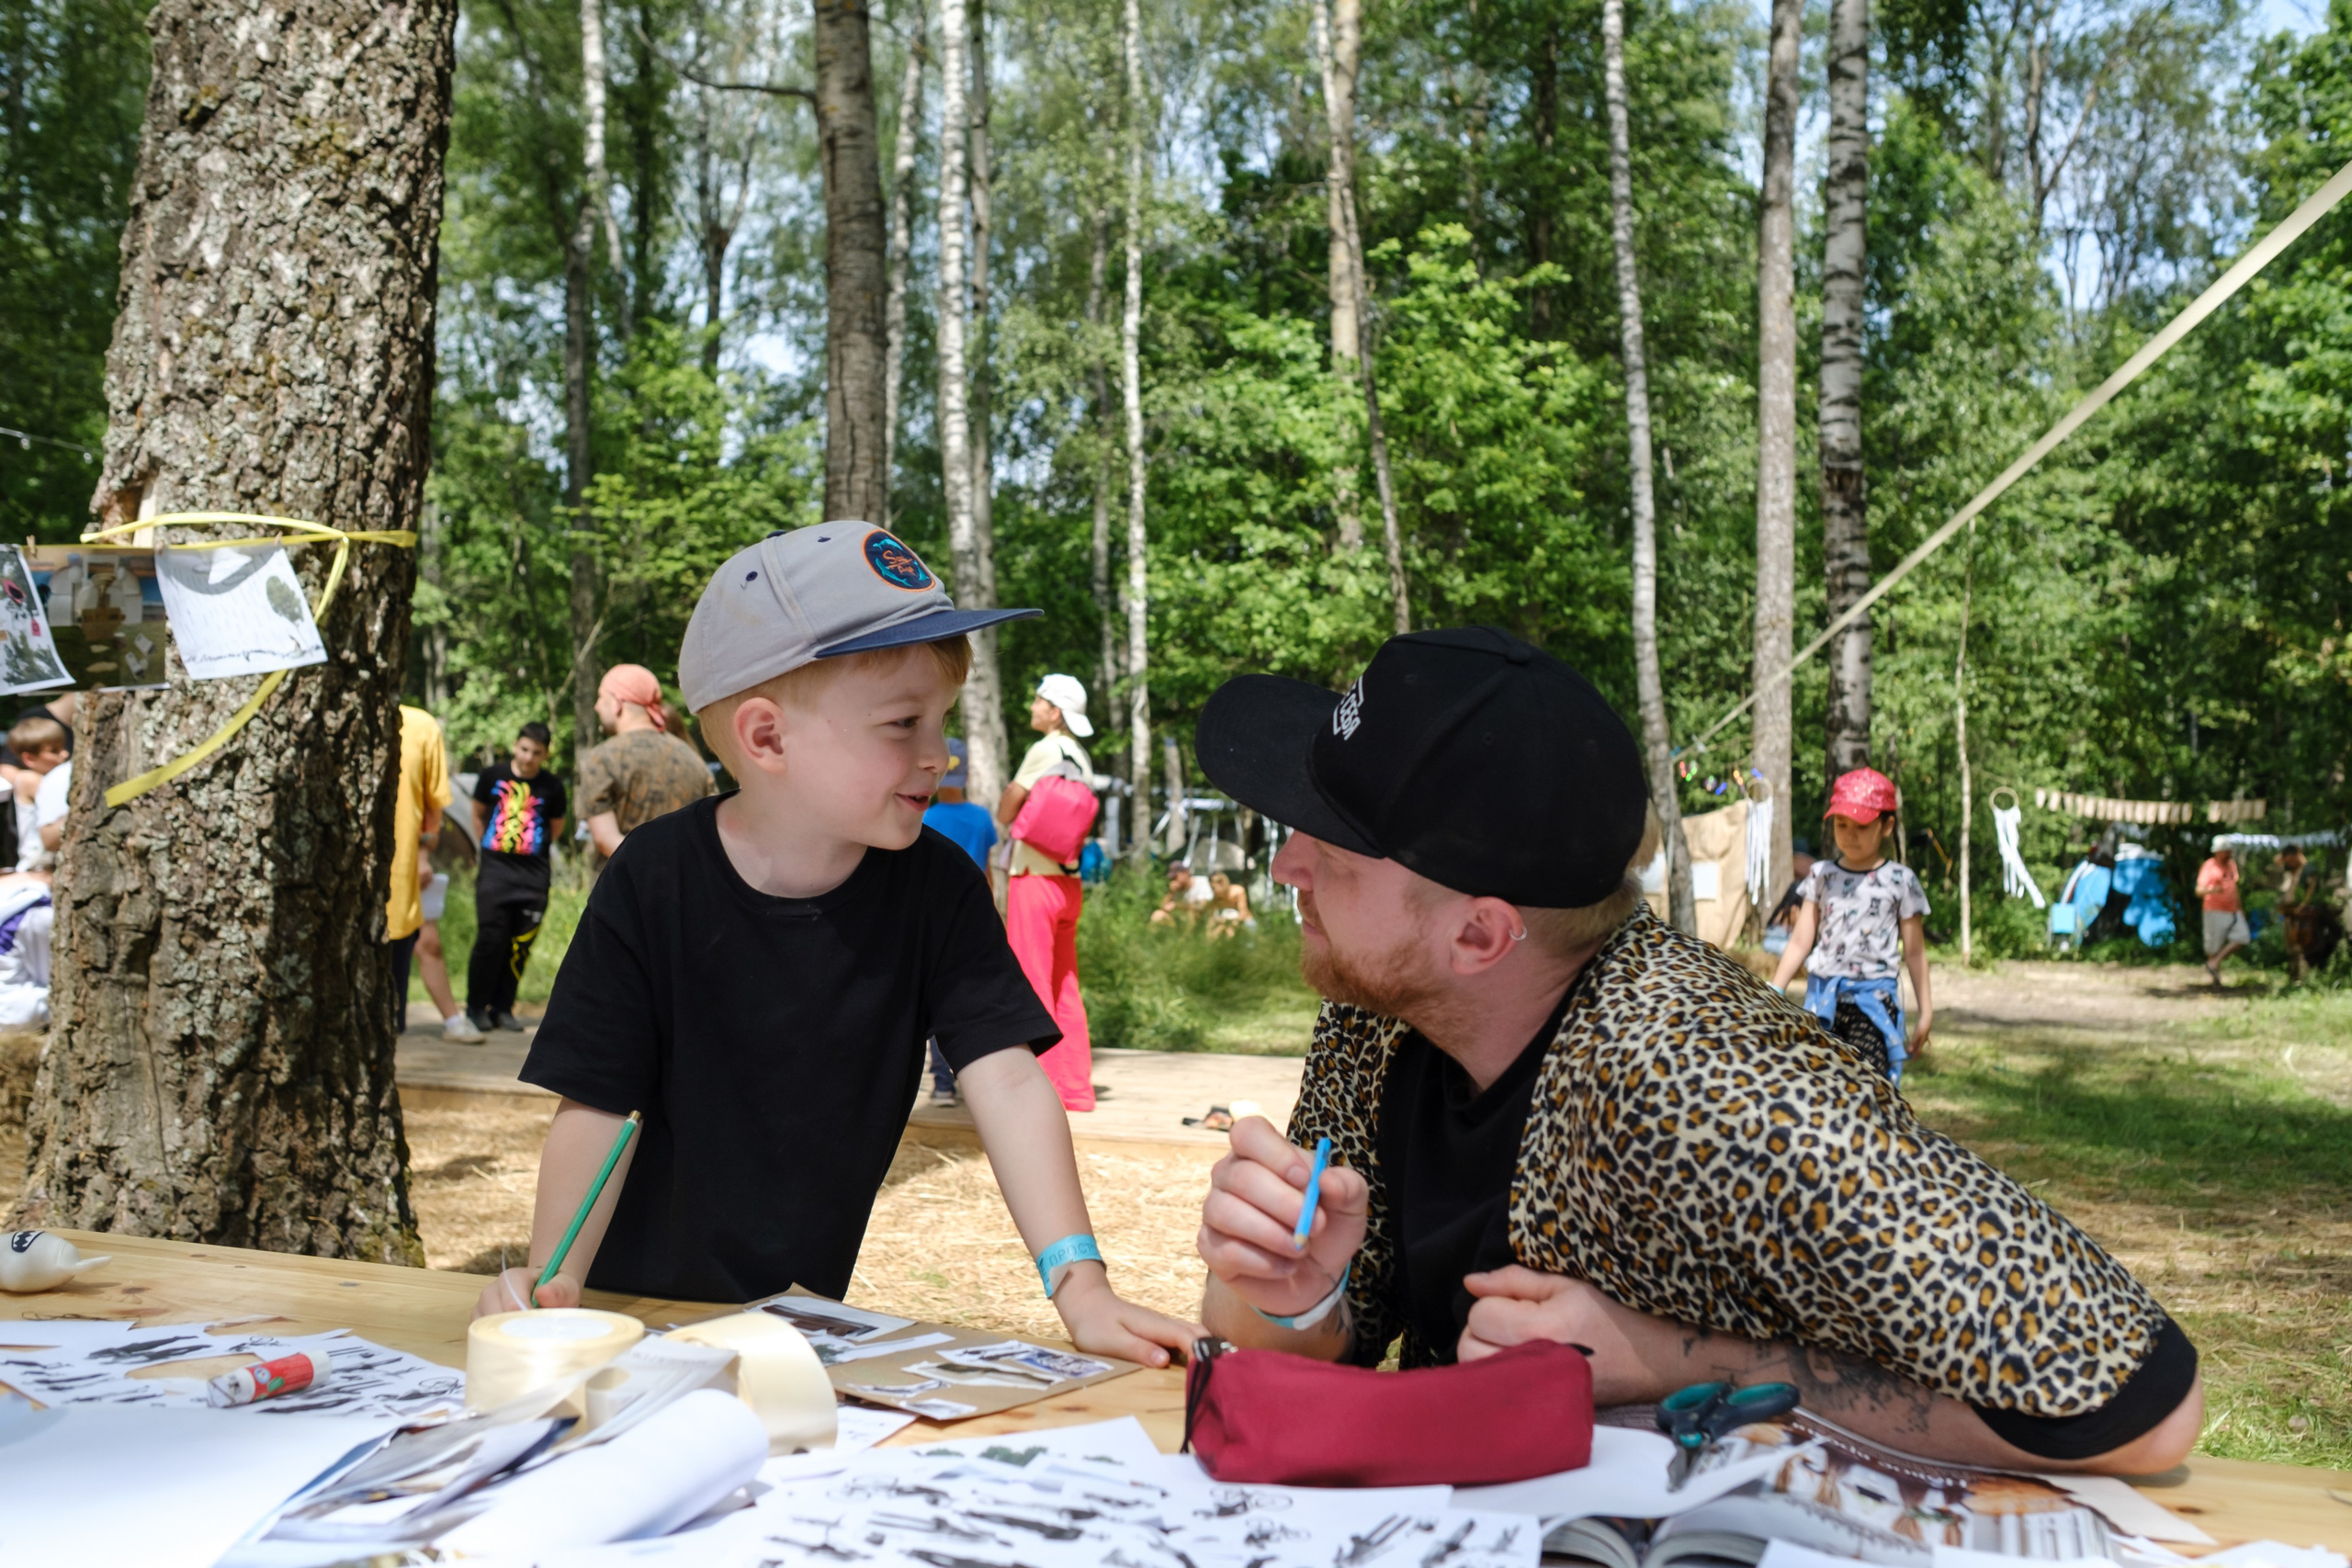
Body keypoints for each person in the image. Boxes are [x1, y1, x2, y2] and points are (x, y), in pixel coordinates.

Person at [1190, 626, 2201, 1476]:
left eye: (1332, 843)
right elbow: (1319, 1341)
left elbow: (2144, 1405)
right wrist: (1293, 1289)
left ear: (1480, 935)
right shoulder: (1383, 1008)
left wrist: (1669, 1361)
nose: (1286, 863)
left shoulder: (1699, 1087)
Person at [473, 525, 1193, 1372]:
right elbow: (597, 1104)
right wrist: (556, 1284)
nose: (941, 751)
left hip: (798, 1330)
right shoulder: (652, 880)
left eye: (943, 719)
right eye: (903, 723)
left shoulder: (937, 887)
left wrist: (1083, 1288)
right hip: (630, 1318)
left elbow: (1004, 1075)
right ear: (767, 738)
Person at [1768, 768, 1932, 1081]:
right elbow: (1802, 940)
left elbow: (1914, 953)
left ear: (1886, 826)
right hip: (1822, 999)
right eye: (1842, 824)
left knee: (1869, 1085)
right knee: (1819, 1086)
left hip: (1874, 1004)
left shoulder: (1901, 881)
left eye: (1861, 825)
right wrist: (1776, 988)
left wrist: (1926, 1011)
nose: (1849, 834)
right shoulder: (1821, 875)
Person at [996, 672, 1098, 1113]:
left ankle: (1039, 1093)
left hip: (1035, 880)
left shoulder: (1044, 749)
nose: (1032, 707)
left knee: (1031, 983)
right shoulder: (1081, 754)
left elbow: (1007, 806)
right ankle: (1075, 1089)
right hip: (1068, 883)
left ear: (1054, 711)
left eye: (1037, 700)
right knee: (1065, 986)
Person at [387, 705, 482, 1042]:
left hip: (405, 868)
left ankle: (453, 1021)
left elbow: (433, 805)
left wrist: (424, 854)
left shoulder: (420, 724)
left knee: (425, 941)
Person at [467, 721, 569, 1033]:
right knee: (491, 940)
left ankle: (503, 1008)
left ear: (545, 755)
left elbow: (555, 827)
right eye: (524, 749)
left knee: (519, 945)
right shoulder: (492, 776)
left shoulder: (552, 786)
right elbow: (477, 813)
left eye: (536, 753)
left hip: (533, 878)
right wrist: (489, 848)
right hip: (495, 873)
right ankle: (475, 1008)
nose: (528, 758)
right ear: (515, 746)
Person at [922, 739, 999, 1105]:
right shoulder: (982, 818)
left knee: (936, 1002)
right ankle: (974, 1081)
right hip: (974, 919)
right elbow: (987, 873)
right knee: (971, 1001)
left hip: (931, 920)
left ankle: (941, 1086)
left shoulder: (925, 817)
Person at [579, 664, 715, 867]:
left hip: (624, 893)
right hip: (687, 890)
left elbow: (605, 840)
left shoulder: (602, 758)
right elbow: (711, 830)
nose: (597, 706)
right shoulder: (693, 759)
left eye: (601, 697)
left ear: (617, 702)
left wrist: (656, 868)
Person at [6, 715, 69, 873]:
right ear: (29, 758)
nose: (65, 754)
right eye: (54, 751)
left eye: (63, 747)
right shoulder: (30, 780)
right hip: (37, 865)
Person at [2196, 840, 2250, 986]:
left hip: (2233, 910)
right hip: (2214, 910)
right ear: (2218, 851)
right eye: (2227, 850)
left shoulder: (2232, 865)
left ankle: (2214, 963)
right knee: (2213, 946)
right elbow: (2199, 891)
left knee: (2243, 936)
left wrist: (2240, 908)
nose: (2230, 853)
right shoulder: (2209, 866)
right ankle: (2215, 979)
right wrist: (2213, 890)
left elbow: (2234, 887)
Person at [1151, 863, 1210, 927]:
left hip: (1199, 922)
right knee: (1158, 915)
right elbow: (1163, 907)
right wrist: (1171, 892)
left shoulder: (1202, 883)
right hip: (1179, 922)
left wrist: (1177, 906)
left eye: (1175, 877)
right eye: (1172, 878)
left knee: (1191, 915)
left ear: (1185, 873)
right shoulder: (1178, 889)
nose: (1174, 881)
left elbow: (1202, 906)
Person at [1204, 870, 1252, 939]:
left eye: (1213, 888)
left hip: (1243, 921)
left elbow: (1243, 913)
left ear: (1222, 883)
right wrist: (1208, 931)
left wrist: (1231, 924)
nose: (1213, 891)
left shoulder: (1238, 891)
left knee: (1250, 926)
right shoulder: (1216, 899)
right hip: (1225, 922)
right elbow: (1211, 917)